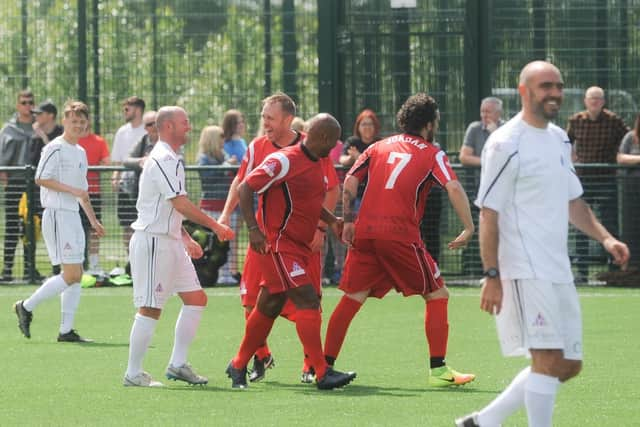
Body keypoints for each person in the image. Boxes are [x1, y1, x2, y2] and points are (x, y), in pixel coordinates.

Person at [455, 61, 629, 427]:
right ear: (524, 91)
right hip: (523, 268)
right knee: (548, 359)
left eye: (558, 86)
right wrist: (492, 274)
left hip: (557, 268)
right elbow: (489, 213)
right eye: (545, 85)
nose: (554, 93)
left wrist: (607, 237)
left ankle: (483, 422)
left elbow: (573, 202)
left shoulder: (558, 139)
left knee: (567, 364)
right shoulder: (505, 143)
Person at [323, 93, 476, 388]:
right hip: (399, 235)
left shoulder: (378, 147)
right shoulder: (433, 153)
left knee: (353, 297)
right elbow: (454, 187)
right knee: (437, 294)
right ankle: (439, 370)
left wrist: (350, 221)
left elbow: (350, 182)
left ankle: (321, 365)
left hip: (366, 232)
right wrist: (468, 226)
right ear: (429, 124)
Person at [225, 113, 356, 390]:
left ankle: (238, 364)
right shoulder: (284, 159)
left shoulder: (316, 162)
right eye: (332, 142)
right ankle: (321, 372)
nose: (333, 148)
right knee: (308, 300)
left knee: (268, 305)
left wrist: (331, 220)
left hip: (295, 246)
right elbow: (247, 186)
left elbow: (306, 200)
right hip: (278, 244)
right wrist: (253, 228)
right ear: (322, 138)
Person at [123, 106, 234, 387]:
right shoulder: (162, 158)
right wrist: (216, 226)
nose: (190, 127)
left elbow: (170, 206)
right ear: (169, 126)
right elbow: (180, 203)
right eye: (185, 122)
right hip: (153, 243)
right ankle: (133, 373)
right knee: (150, 308)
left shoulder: (171, 158)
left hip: (170, 241)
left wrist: (184, 237)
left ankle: (177, 364)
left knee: (197, 299)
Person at [13, 100, 105, 342]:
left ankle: (66, 330)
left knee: (76, 272)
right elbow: (41, 178)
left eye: (82, 122)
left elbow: (82, 191)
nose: (78, 125)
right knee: (72, 273)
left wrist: (93, 221)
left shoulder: (81, 152)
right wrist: (72, 191)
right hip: (56, 214)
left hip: (73, 215)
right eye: (74, 121)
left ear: (87, 125)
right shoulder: (54, 147)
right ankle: (26, 306)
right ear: (64, 121)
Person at [567, 86, 629, 281]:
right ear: (586, 101)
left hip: (606, 177)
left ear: (603, 102)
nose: (594, 102)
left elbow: (628, 138)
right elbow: (564, 143)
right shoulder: (576, 120)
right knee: (580, 226)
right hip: (583, 179)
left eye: (598, 99)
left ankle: (614, 268)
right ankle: (582, 271)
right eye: (591, 99)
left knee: (609, 222)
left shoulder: (614, 121)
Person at [459, 97, 504, 276]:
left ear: (498, 113)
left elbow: (506, 159)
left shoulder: (506, 130)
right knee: (474, 229)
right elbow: (464, 156)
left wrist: (495, 135)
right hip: (476, 190)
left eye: (489, 111)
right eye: (483, 111)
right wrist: (488, 161)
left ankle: (497, 270)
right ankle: (471, 270)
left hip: (501, 191)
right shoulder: (474, 129)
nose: (484, 115)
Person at [27, 99, 64, 279]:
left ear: (50, 116)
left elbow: (58, 155)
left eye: (40, 113)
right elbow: (32, 162)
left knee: (57, 229)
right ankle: (30, 269)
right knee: (31, 229)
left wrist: (43, 136)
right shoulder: (34, 136)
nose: (37, 117)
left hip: (56, 190)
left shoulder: (60, 134)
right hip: (36, 192)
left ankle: (58, 269)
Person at [1, 90, 35, 282]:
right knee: (12, 227)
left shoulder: (39, 127)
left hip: (34, 184)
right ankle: (7, 270)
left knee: (31, 227)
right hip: (14, 183)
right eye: (23, 102)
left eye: (30, 102)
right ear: (17, 105)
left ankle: (30, 269)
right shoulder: (9, 129)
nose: (27, 106)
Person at [196, 125, 234, 284]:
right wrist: (226, 166)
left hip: (225, 205)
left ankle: (225, 275)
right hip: (210, 206)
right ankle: (209, 273)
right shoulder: (204, 158)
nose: (223, 140)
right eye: (221, 136)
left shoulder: (223, 155)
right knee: (212, 242)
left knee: (226, 241)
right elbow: (207, 177)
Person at [111, 96, 147, 258]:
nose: (124, 112)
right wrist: (115, 176)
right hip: (126, 185)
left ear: (138, 110)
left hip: (144, 184)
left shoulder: (148, 130)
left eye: (127, 109)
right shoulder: (122, 131)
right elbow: (118, 159)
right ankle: (130, 260)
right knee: (127, 224)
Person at [77, 123, 110, 275]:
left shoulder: (99, 141)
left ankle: (94, 263)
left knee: (94, 228)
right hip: (75, 192)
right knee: (77, 229)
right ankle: (78, 263)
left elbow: (106, 162)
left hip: (94, 192)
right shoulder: (73, 141)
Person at [221, 109, 248, 283]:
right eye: (239, 122)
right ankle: (230, 270)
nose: (243, 125)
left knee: (240, 234)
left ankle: (235, 269)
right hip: (233, 192)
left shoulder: (243, 142)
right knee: (232, 235)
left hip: (247, 192)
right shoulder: (227, 144)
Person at [617, 113, 640, 270]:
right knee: (631, 227)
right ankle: (630, 267)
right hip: (631, 190)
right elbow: (620, 157)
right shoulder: (630, 137)